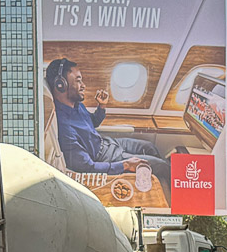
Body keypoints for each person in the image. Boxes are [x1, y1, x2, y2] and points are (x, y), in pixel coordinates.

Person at [45, 58, 173, 199]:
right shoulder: (65, 128)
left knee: (150, 147)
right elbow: (88, 167)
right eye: (78, 80)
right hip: (105, 157)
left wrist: (102, 106)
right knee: (162, 166)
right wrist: (125, 165)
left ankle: (160, 184)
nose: (83, 85)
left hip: (108, 143)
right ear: (61, 85)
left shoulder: (76, 105)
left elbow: (93, 122)